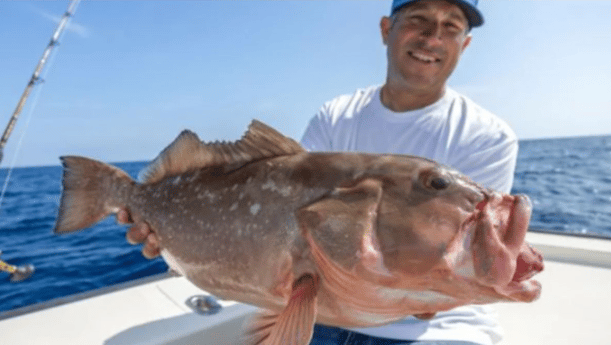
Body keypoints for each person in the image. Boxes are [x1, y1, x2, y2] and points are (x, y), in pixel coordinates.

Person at [120, 1, 517, 344]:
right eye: (418, 19)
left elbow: (458, 278)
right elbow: (285, 208)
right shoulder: (336, 116)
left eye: (451, 27)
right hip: (321, 317)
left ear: (465, 44)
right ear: (386, 29)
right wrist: (177, 241)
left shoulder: (489, 136)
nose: (432, 37)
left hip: (442, 330)